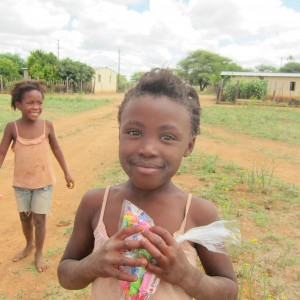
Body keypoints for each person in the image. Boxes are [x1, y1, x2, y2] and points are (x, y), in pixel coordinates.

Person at [57, 68, 238, 299]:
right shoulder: (96, 203)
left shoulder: (198, 213)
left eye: (167, 137)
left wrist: (188, 277)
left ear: (189, 146)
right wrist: (92, 264)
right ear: (119, 134)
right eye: (134, 132)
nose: (148, 149)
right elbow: (65, 275)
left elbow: (229, 291)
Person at [0, 80, 74, 272]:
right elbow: (1, 153)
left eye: (39, 102)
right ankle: (29, 244)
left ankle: (39, 252)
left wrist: (67, 172)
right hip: (21, 183)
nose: (36, 107)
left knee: (39, 220)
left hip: (43, 182)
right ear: (18, 104)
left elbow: (56, 149)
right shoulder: (12, 128)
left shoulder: (47, 126)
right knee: (25, 218)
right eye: (30, 102)